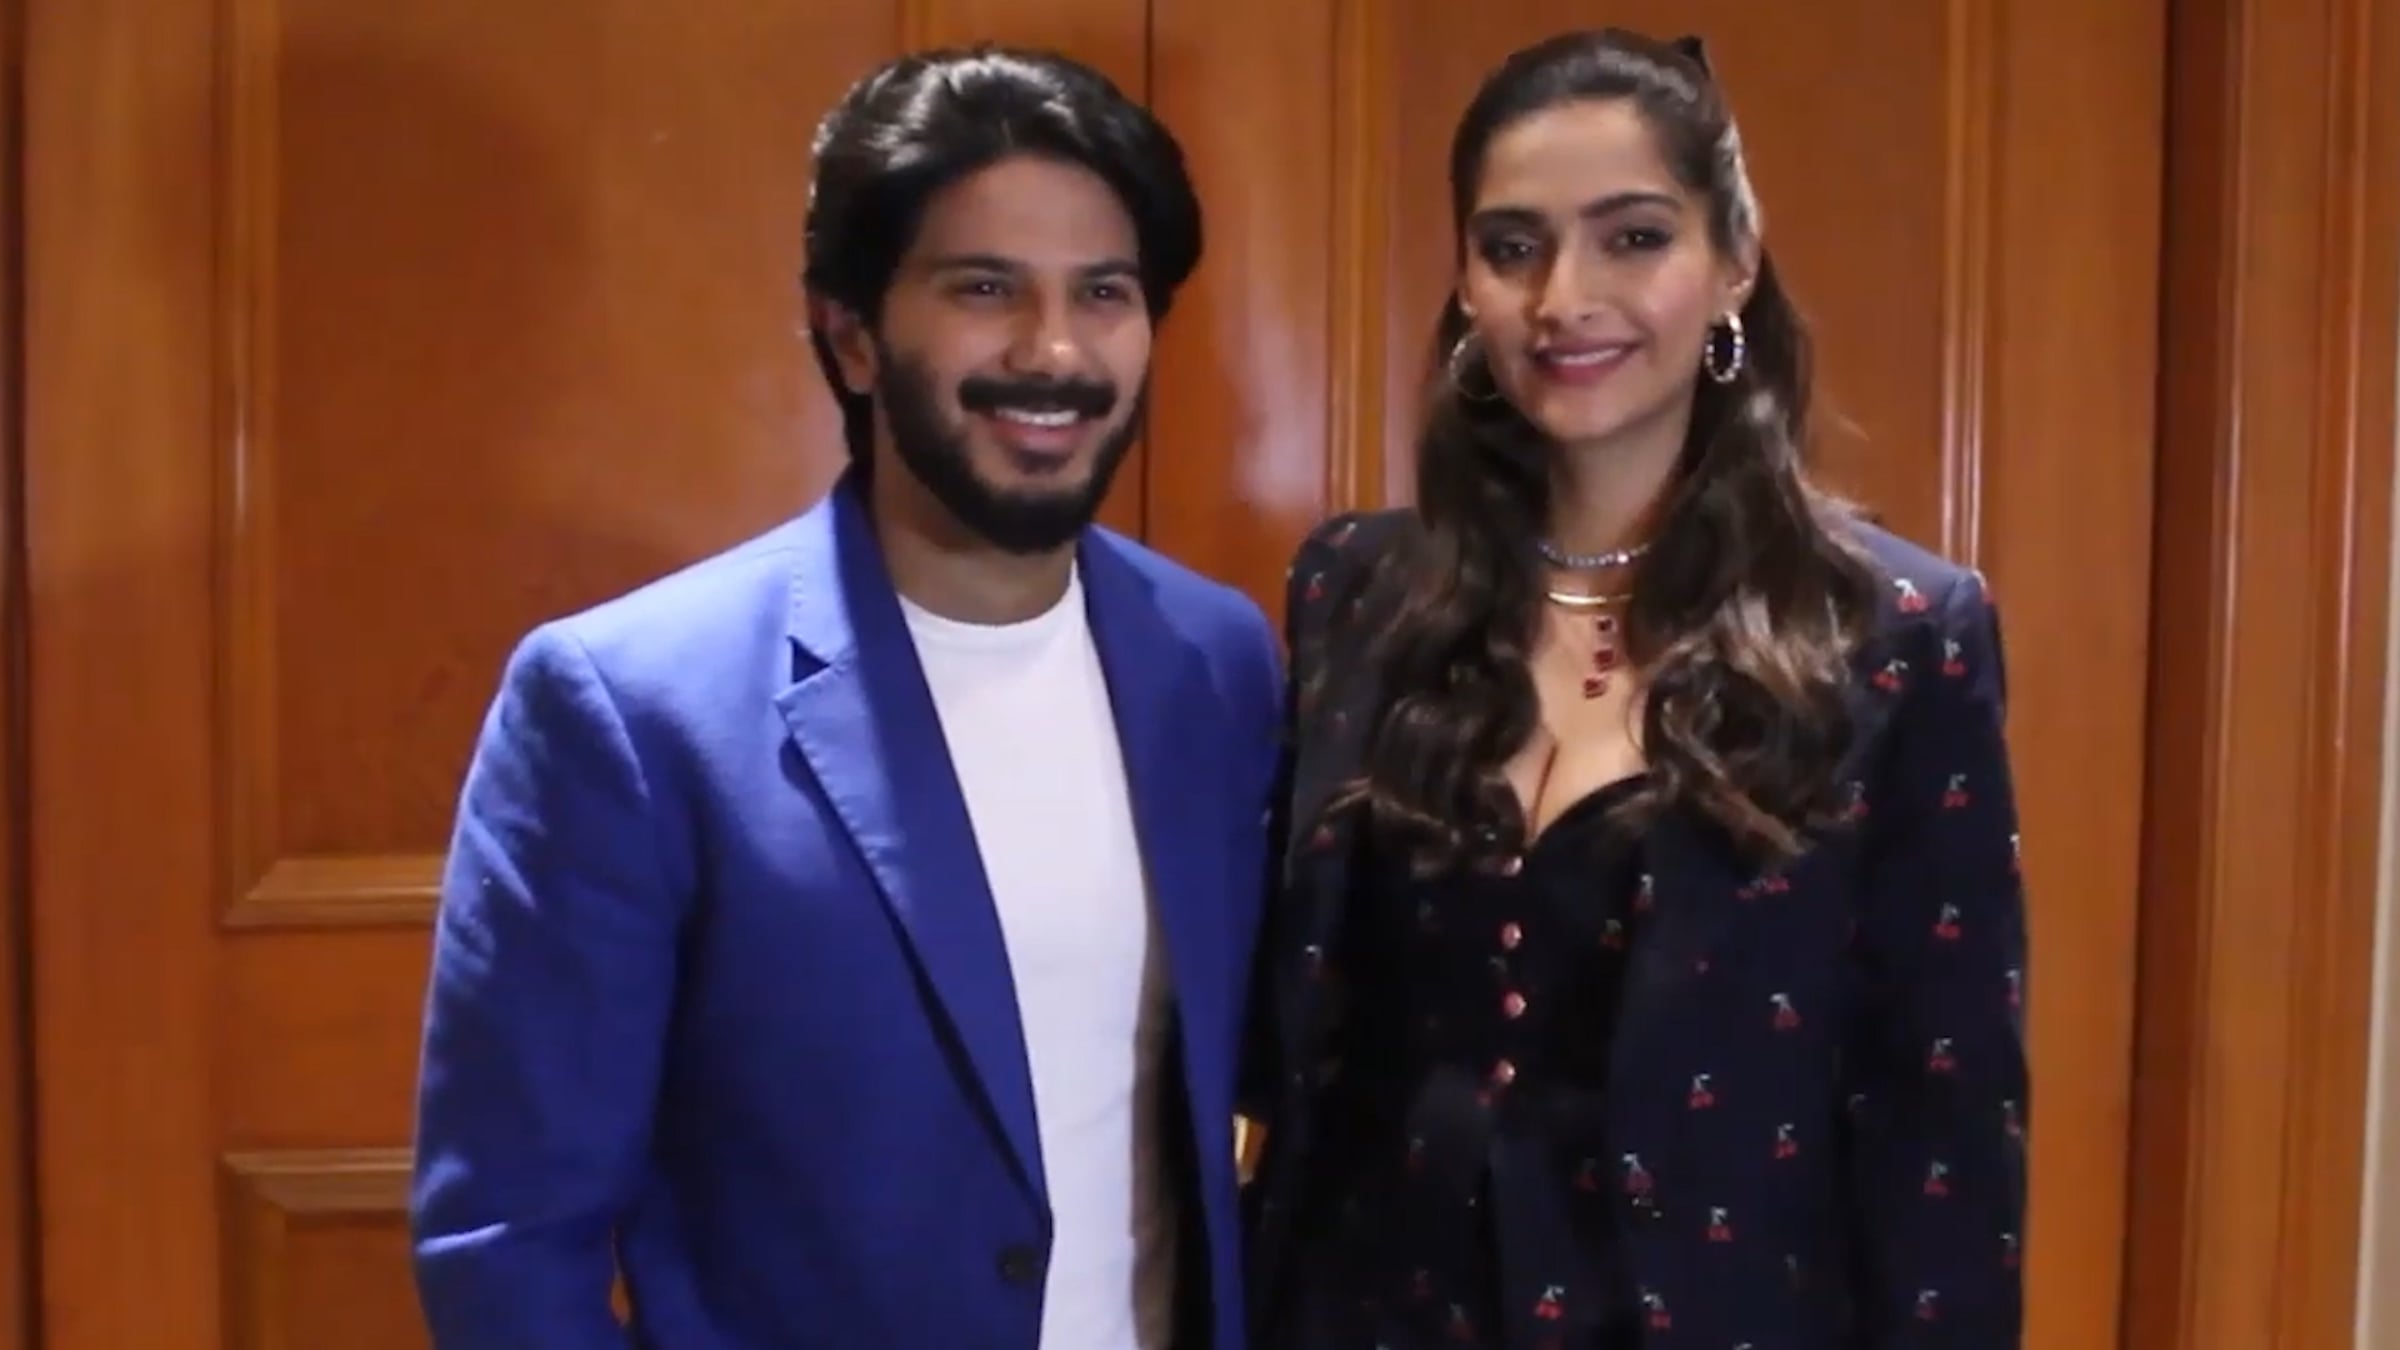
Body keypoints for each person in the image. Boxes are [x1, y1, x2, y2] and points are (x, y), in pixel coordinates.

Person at [409, 45, 1284, 1350]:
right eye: (984, 287)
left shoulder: (1216, 660)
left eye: (1103, 292)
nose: (1053, 348)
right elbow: (506, 1245)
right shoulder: (626, 711)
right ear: (853, 333)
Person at [1239, 28, 2028, 1350]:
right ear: (1466, 282)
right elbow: (1293, 1036)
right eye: (1512, 246)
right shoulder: (1358, 590)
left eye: (1634, 238)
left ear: (1734, 261)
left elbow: (1940, 1121)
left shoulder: (1892, 632)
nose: (1565, 296)